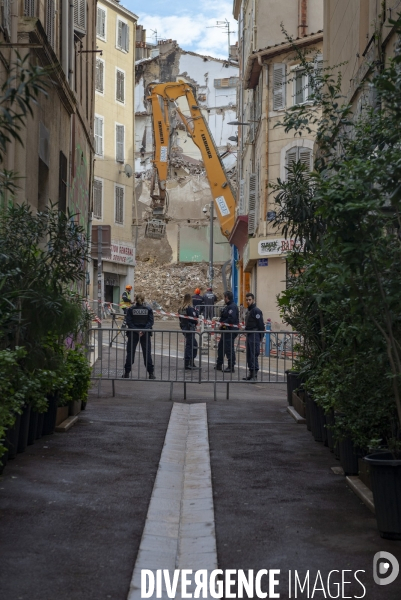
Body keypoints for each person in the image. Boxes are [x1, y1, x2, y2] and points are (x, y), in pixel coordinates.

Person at [123, 292, 155, 379]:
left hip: (133, 333)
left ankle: (126, 373)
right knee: (147, 353)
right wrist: (143, 330)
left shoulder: (131, 309)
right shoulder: (148, 309)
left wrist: (137, 330)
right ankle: (151, 373)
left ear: (135, 299)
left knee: (130, 353)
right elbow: (150, 322)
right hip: (145, 333)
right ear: (143, 299)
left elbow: (129, 322)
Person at [215, 291, 239, 372]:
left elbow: (231, 319)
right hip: (225, 331)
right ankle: (219, 364)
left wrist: (222, 324)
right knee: (221, 347)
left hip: (230, 331)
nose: (224, 299)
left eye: (224, 297)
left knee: (229, 348)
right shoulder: (228, 307)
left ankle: (231, 366)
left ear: (227, 297)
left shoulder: (232, 307)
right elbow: (224, 317)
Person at [243, 293, 265, 383]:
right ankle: (250, 373)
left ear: (253, 300)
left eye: (249, 300)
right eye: (247, 300)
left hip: (255, 334)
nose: (248, 301)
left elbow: (260, 324)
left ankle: (254, 375)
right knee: (249, 355)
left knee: (253, 355)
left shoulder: (256, 311)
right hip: (249, 334)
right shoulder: (249, 311)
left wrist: (260, 336)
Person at [179, 293, 199, 370]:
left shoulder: (181, 308)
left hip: (184, 328)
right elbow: (194, 317)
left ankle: (190, 362)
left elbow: (180, 319)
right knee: (190, 345)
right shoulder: (189, 308)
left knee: (193, 344)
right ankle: (188, 362)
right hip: (190, 328)